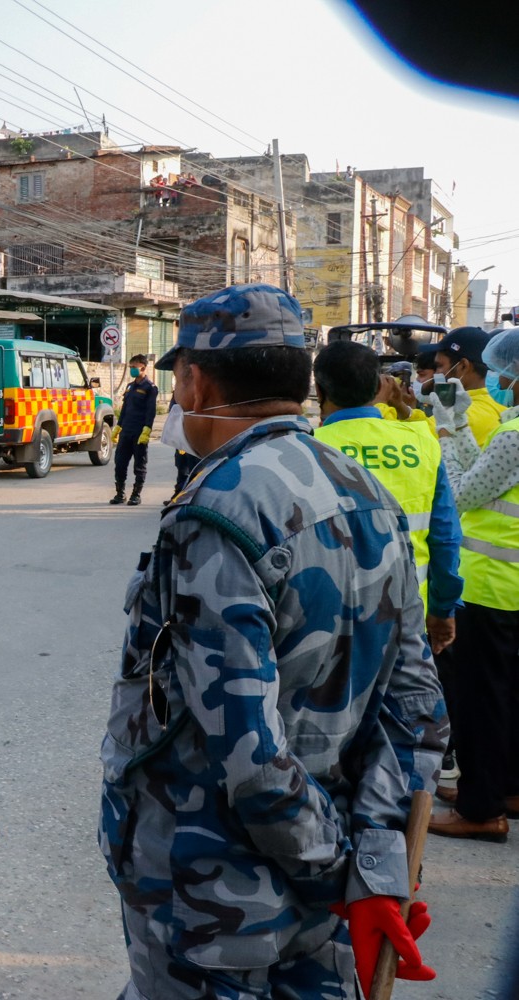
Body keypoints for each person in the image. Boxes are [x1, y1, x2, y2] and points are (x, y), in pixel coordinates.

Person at [99, 283, 446, 1000]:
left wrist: (342, 870)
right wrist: (371, 868)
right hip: (325, 895)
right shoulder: (365, 492)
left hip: (215, 897)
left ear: (194, 381)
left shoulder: (218, 508)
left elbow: (249, 753)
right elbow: (416, 706)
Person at [424, 328, 519, 841]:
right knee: (510, 696)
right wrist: (457, 421)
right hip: (512, 586)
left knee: (482, 702)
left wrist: (448, 426)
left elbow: (460, 492)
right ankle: (505, 787)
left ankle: (482, 810)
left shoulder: (513, 434)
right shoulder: (508, 425)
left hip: (492, 585)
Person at [313, 340, 463, 656]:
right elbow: (445, 538)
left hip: (326, 628)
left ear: (319, 391)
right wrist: (443, 607)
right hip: (408, 617)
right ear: (379, 386)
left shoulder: (308, 446)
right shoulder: (422, 441)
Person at [429, 327, 504, 446]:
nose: (435, 374)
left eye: (439, 366)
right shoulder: (497, 402)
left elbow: (418, 437)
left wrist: (388, 407)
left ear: (463, 366)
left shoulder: (470, 412)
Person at [110, 353, 158, 505]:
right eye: (130, 367)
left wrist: (147, 430)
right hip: (126, 431)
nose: (131, 369)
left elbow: (151, 411)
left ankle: (136, 494)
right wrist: (118, 426)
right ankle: (120, 493)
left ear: (143, 367)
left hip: (139, 432)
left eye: (134, 367)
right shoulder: (130, 386)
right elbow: (125, 409)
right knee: (120, 463)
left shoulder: (150, 388)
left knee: (139, 465)